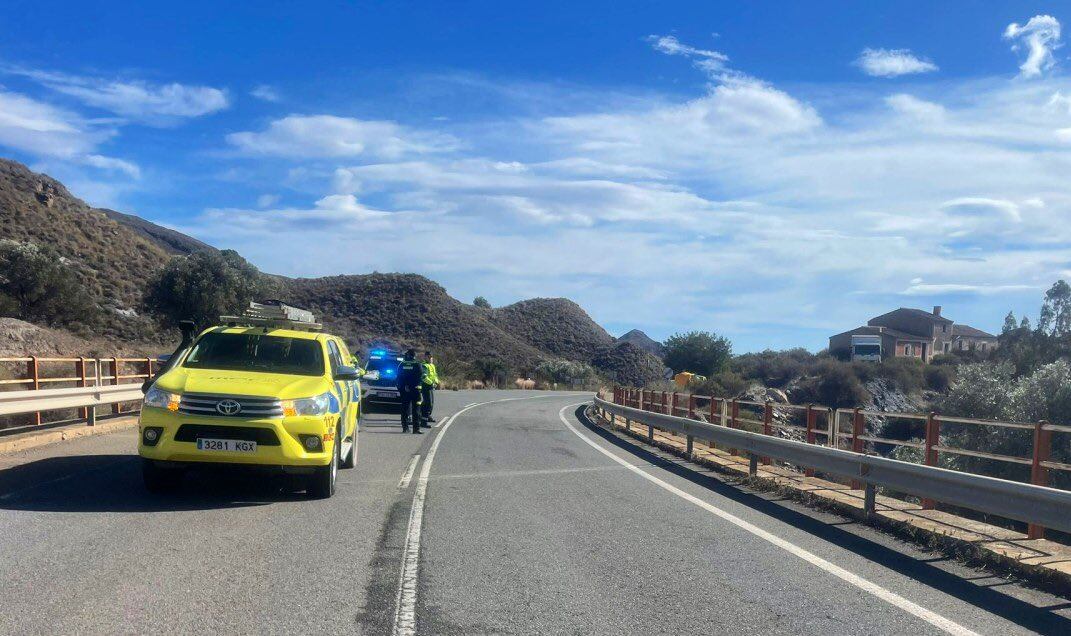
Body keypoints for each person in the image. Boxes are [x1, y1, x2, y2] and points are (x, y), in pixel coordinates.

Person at [397, 349, 425, 434]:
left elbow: (399, 376)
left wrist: (404, 386)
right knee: (416, 409)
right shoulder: (417, 364)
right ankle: (416, 429)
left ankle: (405, 428)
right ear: (414, 355)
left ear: (408, 355)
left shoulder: (402, 364)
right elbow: (422, 375)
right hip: (415, 389)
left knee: (405, 409)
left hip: (405, 390)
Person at [420, 350, 439, 423]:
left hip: (431, 386)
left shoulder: (432, 365)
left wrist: (436, 382)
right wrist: (431, 383)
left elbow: (435, 375)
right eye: (429, 357)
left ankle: (427, 415)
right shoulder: (424, 365)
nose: (431, 358)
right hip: (426, 386)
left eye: (431, 357)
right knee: (428, 402)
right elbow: (424, 377)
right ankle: (423, 416)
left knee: (431, 402)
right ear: (425, 357)